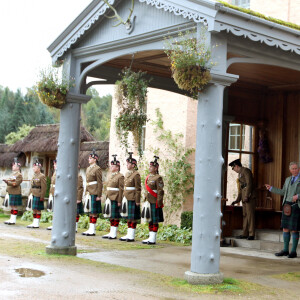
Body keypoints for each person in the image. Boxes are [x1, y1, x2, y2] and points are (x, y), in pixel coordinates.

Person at [265, 162, 300, 258]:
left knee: (294, 229)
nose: (295, 170)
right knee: (285, 228)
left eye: (296, 168)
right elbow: (283, 192)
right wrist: (271, 188)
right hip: (287, 206)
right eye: (293, 169)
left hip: (296, 206)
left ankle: (293, 252)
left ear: (299, 169)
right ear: (290, 170)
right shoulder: (288, 179)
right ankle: (285, 250)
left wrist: (298, 196)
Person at [230, 158, 256, 240]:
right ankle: (245, 233)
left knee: (250, 215)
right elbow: (241, 188)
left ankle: (251, 234)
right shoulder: (240, 174)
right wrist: (237, 200)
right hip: (244, 197)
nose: (233, 170)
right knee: (245, 215)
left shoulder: (246, 171)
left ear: (236, 166)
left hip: (249, 197)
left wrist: (247, 196)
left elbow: (249, 183)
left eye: (233, 168)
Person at [142, 156, 164, 245]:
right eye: (149, 166)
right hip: (148, 200)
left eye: (151, 167)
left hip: (155, 201)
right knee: (150, 219)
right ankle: (150, 236)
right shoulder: (149, 177)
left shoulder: (158, 178)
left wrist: (159, 202)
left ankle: (153, 238)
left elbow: (160, 191)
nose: (149, 168)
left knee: (155, 220)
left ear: (155, 168)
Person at [119, 152, 141, 242]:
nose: (127, 165)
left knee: (133, 217)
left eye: (128, 163)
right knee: (128, 217)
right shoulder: (127, 174)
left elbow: (138, 188)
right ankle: (128, 233)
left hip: (132, 197)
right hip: (126, 197)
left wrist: (137, 200)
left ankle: (131, 235)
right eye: (127, 163)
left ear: (133, 165)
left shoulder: (136, 175)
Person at [102, 155, 124, 239]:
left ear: (117, 167)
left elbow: (121, 189)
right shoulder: (111, 175)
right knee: (111, 215)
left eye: (113, 166)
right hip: (109, 197)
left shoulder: (120, 176)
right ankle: (111, 232)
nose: (111, 167)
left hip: (115, 198)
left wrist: (119, 200)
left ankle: (114, 233)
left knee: (115, 216)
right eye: (111, 165)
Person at [82, 150, 103, 236]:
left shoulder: (97, 169)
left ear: (95, 159)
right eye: (89, 158)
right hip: (89, 192)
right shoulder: (88, 168)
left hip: (94, 191)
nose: (89, 159)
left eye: (90, 158)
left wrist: (99, 195)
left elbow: (99, 182)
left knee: (94, 212)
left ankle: (93, 229)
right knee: (90, 211)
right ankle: (90, 228)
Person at [3, 158, 23, 225]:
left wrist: (7, 182)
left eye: (14, 166)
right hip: (10, 192)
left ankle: (13, 220)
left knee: (14, 206)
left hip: (15, 192)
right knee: (12, 206)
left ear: (17, 167)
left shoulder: (19, 175)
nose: (12, 166)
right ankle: (11, 218)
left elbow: (16, 183)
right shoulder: (12, 174)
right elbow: (10, 181)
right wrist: (7, 181)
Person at [27, 160, 46, 229]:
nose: (33, 168)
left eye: (34, 167)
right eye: (33, 167)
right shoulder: (34, 176)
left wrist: (42, 196)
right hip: (33, 193)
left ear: (38, 168)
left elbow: (44, 187)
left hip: (38, 194)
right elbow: (31, 186)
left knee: (38, 209)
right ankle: (34, 222)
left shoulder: (42, 176)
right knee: (34, 209)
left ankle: (37, 223)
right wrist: (29, 194)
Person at [47, 159, 56, 230]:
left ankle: (56, 223)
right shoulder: (55, 172)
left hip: (57, 193)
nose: (54, 165)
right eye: (54, 164)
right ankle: (54, 223)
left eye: (55, 164)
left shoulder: (59, 173)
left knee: (56, 209)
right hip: (53, 192)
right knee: (53, 209)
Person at [76, 165, 84, 233]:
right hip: (71, 196)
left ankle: (75, 226)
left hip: (76, 196)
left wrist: (79, 198)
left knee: (76, 213)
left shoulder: (78, 176)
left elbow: (80, 188)